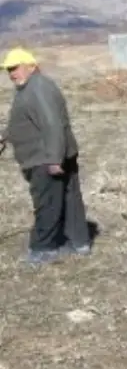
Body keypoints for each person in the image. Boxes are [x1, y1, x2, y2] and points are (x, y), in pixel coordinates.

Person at [1, 46, 91, 264]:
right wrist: (4, 135)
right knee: (69, 200)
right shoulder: (32, 87)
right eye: (8, 70)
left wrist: (53, 158)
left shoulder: (37, 88)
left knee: (47, 203)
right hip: (56, 153)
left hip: (45, 157)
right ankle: (79, 242)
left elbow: (52, 124)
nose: (12, 74)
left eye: (15, 68)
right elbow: (28, 121)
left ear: (31, 66)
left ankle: (42, 249)